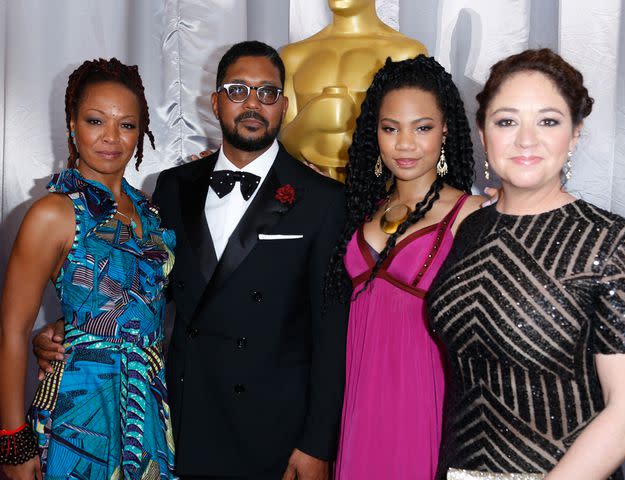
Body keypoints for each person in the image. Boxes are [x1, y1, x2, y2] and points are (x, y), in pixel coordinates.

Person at [35, 41, 348, 479]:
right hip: (183, 423)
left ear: (285, 106)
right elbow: (145, 288)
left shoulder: (325, 201)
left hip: (275, 434)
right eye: (238, 90)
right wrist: (69, 329)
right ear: (216, 102)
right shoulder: (171, 187)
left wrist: (317, 445)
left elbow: (333, 335)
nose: (253, 103)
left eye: (267, 93)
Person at [429, 48, 625, 479]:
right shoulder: (470, 227)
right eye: (507, 121)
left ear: (575, 135)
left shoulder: (609, 239)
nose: (527, 140)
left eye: (548, 121)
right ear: (483, 135)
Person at [0, 58, 176, 479]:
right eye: (96, 120)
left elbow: (126, 303)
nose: (111, 138)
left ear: (141, 132)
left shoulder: (150, 214)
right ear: (72, 126)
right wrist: (13, 441)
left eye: (127, 125)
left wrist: (70, 323)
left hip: (147, 409)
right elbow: (11, 331)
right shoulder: (54, 213)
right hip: (79, 417)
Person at [322, 55, 484, 479]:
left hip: (423, 403)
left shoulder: (473, 214)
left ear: (446, 128)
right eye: (390, 128)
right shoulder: (363, 209)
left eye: (422, 128)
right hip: (358, 403)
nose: (405, 144)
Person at [280, 0, 426, 181]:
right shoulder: (293, 56)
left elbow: (417, 135)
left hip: (380, 192)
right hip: (308, 190)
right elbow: (283, 144)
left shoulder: (405, 53)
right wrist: (312, 117)